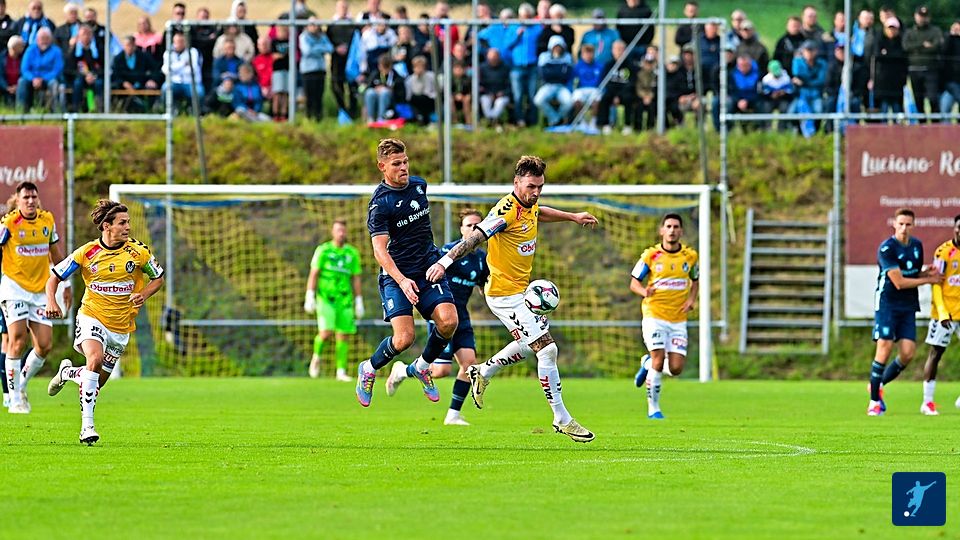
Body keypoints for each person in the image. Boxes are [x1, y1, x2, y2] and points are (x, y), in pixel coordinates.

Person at [425, 155, 598, 443]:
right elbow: (475, 238)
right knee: (547, 349)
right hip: (504, 294)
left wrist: (572, 216)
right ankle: (561, 418)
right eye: (531, 187)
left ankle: (483, 370)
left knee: (529, 345)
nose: (536, 192)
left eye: (540, 187)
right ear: (516, 183)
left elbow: (539, 212)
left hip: (521, 291)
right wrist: (444, 262)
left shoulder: (528, 205)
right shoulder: (505, 212)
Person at [46, 200, 164, 445]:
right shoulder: (86, 252)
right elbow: (54, 277)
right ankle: (87, 427)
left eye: (128, 222)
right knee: (95, 359)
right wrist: (51, 302)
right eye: (122, 223)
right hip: (92, 315)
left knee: (96, 382)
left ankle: (68, 372)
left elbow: (158, 278)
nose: (128, 227)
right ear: (106, 226)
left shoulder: (138, 252)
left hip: (120, 326)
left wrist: (144, 294)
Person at [355, 138, 458, 408]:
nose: (404, 168)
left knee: (449, 321)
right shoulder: (380, 204)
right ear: (382, 167)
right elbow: (379, 250)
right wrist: (402, 281)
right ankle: (369, 368)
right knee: (404, 339)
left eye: (405, 162)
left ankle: (421, 367)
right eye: (396, 164)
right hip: (397, 275)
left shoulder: (419, 185)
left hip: (427, 267)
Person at [387, 209, 488, 426]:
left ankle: (453, 415)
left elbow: (483, 285)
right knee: (442, 370)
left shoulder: (481, 259)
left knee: (470, 365)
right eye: (469, 225)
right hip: (443, 315)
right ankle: (402, 371)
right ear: (461, 229)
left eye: (477, 225)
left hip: (462, 316)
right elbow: (429, 276)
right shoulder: (449, 252)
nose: (474, 229)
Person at [867, 208, 941, 416]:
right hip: (888, 304)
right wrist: (929, 280)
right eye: (900, 224)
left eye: (908, 224)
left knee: (908, 353)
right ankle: (874, 402)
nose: (904, 228)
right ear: (894, 224)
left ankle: (876, 384)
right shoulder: (887, 248)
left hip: (907, 305)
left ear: (913, 225)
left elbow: (912, 274)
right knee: (884, 348)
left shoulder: (916, 245)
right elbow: (899, 282)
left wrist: (925, 273)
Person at [0, 182, 62, 414]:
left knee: (44, 345)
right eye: (25, 197)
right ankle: (15, 399)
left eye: (33, 197)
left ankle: (21, 385)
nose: (30, 201)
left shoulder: (47, 220)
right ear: (17, 200)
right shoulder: (9, 223)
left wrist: (64, 282)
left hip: (40, 291)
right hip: (14, 288)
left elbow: (55, 254)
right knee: (17, 340)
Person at [630, 214, 699, 419]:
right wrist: (644, 292)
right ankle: (654, 409)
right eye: (668, 226)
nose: (672, 230)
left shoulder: (690, 256)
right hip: (654, 315)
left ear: (681, 231)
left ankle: (646, 364)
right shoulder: (651, 256)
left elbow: (695, 280)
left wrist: (692, 300)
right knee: (659, 361)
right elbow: (634, 282)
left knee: (676, 368)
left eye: (676, 227)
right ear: (661, 230)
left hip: (678, 319)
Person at [304, 220, 363, 382]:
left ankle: (341, 371)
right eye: (338, 230)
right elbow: (314, 273)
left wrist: (359, 300)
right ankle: (316, 357)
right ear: (332, 232)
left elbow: (356, 278)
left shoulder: (352, 253)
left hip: (345, 300)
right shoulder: (323, 250)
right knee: (326, 332)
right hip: (326, 298)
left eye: (343, 230)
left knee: (343, 335)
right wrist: (309, 295)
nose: (341, 233)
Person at [920, 215, 960, 415]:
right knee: (936, 353)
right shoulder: (944, 252)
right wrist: (942, 312)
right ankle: (927, 402)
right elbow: (936, 283)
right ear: (955, 229)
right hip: (945, 313)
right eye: (959, 227)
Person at [903, 5, 943, 120]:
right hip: (914, 70)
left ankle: (936, 124)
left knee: (933, 98)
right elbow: (906, 47)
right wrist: (923, 45)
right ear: (915, 16)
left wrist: (916, 49)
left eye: (925, 16)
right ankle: (922, 125)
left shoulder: (935, 31)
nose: (923, 19)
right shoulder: (910, 32)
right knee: (918, 100)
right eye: (920, 16)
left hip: (931, 70)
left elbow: (937, 46)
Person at [15, 27, 61, 112]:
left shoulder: (56, 51)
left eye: (47, 38)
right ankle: (21, 111)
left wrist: (43, 79)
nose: (44, 41)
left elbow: (57, 70)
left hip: (48, 79)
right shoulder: (30, 50)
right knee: (22, 82)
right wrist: (33, 79)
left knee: (54, 83)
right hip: (32, 78)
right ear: (37, 39)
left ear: (51, 39)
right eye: (42, 38)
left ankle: (55, 112)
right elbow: (24, 69)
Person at [533, 35, 573, 127]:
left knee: (569, 102)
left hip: (562, 86)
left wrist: (552, 72)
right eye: (555, 46)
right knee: (538, 100)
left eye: (559, 46)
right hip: (548, 85)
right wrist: (558, 72)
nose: (557, 49)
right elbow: (543, 75)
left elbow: (566, 75)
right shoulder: (544, 56)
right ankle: (556, 119)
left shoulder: (567, 57)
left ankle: (556, 120)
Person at [299, 18, 334, 121]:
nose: (315, 27)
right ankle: (309, 117)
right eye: (312, 25)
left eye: (316, 25)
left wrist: (314, 47)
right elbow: (307, 51)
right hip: (308, 70)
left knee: (319, 95)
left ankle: (319, 117)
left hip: (320, 69)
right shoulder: (304, 36)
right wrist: (321, 49)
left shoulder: (322, 36)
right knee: (309, 96)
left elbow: (330, 48)